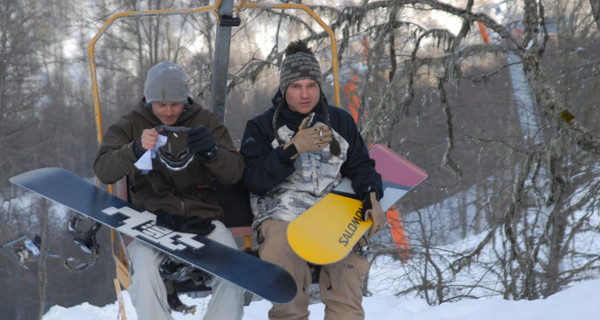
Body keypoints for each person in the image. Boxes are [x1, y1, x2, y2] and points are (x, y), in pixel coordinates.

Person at [240, 40, 385, 320]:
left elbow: (361, 164)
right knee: (288, 294)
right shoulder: (260, 127)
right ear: (284, 89)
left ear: (320, 87)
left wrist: (371, 195)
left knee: (347, 296)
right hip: (282, 214)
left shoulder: (340, 121)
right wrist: (292, 149)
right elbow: (254, 179)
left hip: (332, 212)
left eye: (311, 86)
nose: (305, 94)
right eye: (296, 87)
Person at [94, 61, 245, 320]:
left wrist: (212, 151)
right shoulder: (131, 124)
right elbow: (103, 169)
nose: (168, 111)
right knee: (143, 275)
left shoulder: (205, 121)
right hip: (151, 219)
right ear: (148, 100)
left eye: (175, 104)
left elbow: (234, 172)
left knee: (234, 271)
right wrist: (134, 149)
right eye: (161, 104)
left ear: (185, 99)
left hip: (202, 217)